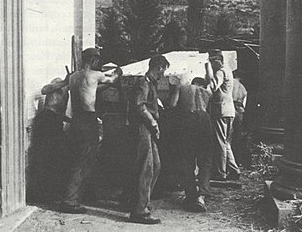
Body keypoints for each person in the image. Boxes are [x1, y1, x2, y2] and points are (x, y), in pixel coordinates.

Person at [60, 48, 122, 214]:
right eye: (97, 61)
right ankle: (70, 201)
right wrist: (118, 72)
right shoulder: (95, 74)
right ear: (94, 60)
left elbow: (90, 89)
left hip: (76, 120)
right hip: (88, 120)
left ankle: (78, 196)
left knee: (77, 158)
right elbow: (113, 79)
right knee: (85, 160)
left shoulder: (73, 77)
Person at [128, 55, 170, 224]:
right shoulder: (144, 82)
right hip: (142, 127)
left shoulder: (150, 83)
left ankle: (141, 202)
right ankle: (139, 211)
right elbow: (139, 105)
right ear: (159, 67)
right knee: (146, 168)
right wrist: (153, 123)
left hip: (148, 128)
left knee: (156, 165)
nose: (163, 74)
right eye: (164, 70)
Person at [170, 76, 213, 212]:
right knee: (205, 160)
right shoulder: (206, 92)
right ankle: (202, 196)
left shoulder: (182, 88)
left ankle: (190, 196)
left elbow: (172, 105)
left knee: (187, 160)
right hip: (205, 121)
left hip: (188, 121)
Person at [28, 75, 70, 203]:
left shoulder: (68, 91)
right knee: (44, 157)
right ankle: (39, 193)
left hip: (55, 121)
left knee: (55, 157)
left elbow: (60, 113)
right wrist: (64, 82)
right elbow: (44, 90)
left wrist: (71, 120)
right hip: (47, 119)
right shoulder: (58, 82)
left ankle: (49, 192)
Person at [205, 49, 240, 181]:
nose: (212, 64)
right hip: (229, 111)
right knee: (225, 143)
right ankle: (234, 169)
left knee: (220, 143)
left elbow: (212, 87)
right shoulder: (228, 70)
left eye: (213, 61)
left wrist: (207, 72)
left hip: (220, 111)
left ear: (218, 60)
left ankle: (221, 173)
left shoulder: (221, 72)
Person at [232, 69, 250, 168]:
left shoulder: (230, 83)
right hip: (239, 111)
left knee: (227, 138)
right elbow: (244, 104)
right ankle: (237, 160)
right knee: (237, 136)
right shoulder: (243, 88)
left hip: (230, 108)